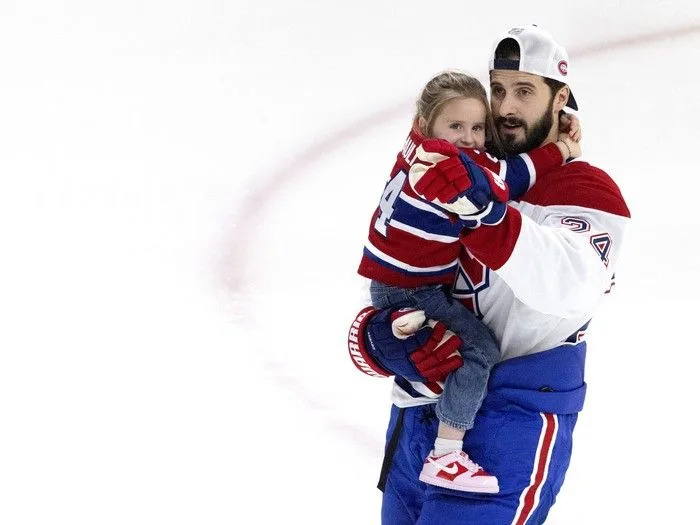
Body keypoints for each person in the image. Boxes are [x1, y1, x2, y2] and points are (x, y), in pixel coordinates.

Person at [347, 25, 630, 524]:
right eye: (498, 90)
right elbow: (402, 267)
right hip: (416, 423)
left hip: (508, 426)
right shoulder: (460, 171)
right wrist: (379, 340)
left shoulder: (585, 189)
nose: (505, 108)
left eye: (524, 92)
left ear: (559, 97)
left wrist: (487, 214)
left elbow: (567, 284)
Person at [356, 69, 580, 493]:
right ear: (427, 125)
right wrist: (563, 149)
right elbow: (509, 177)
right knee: (478, 352)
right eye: (456, 126)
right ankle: (446, 452)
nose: (470, 138)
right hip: (412, 289)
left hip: (390, 281)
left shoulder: (414, 145)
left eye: (478, 127)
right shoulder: (449, 166)